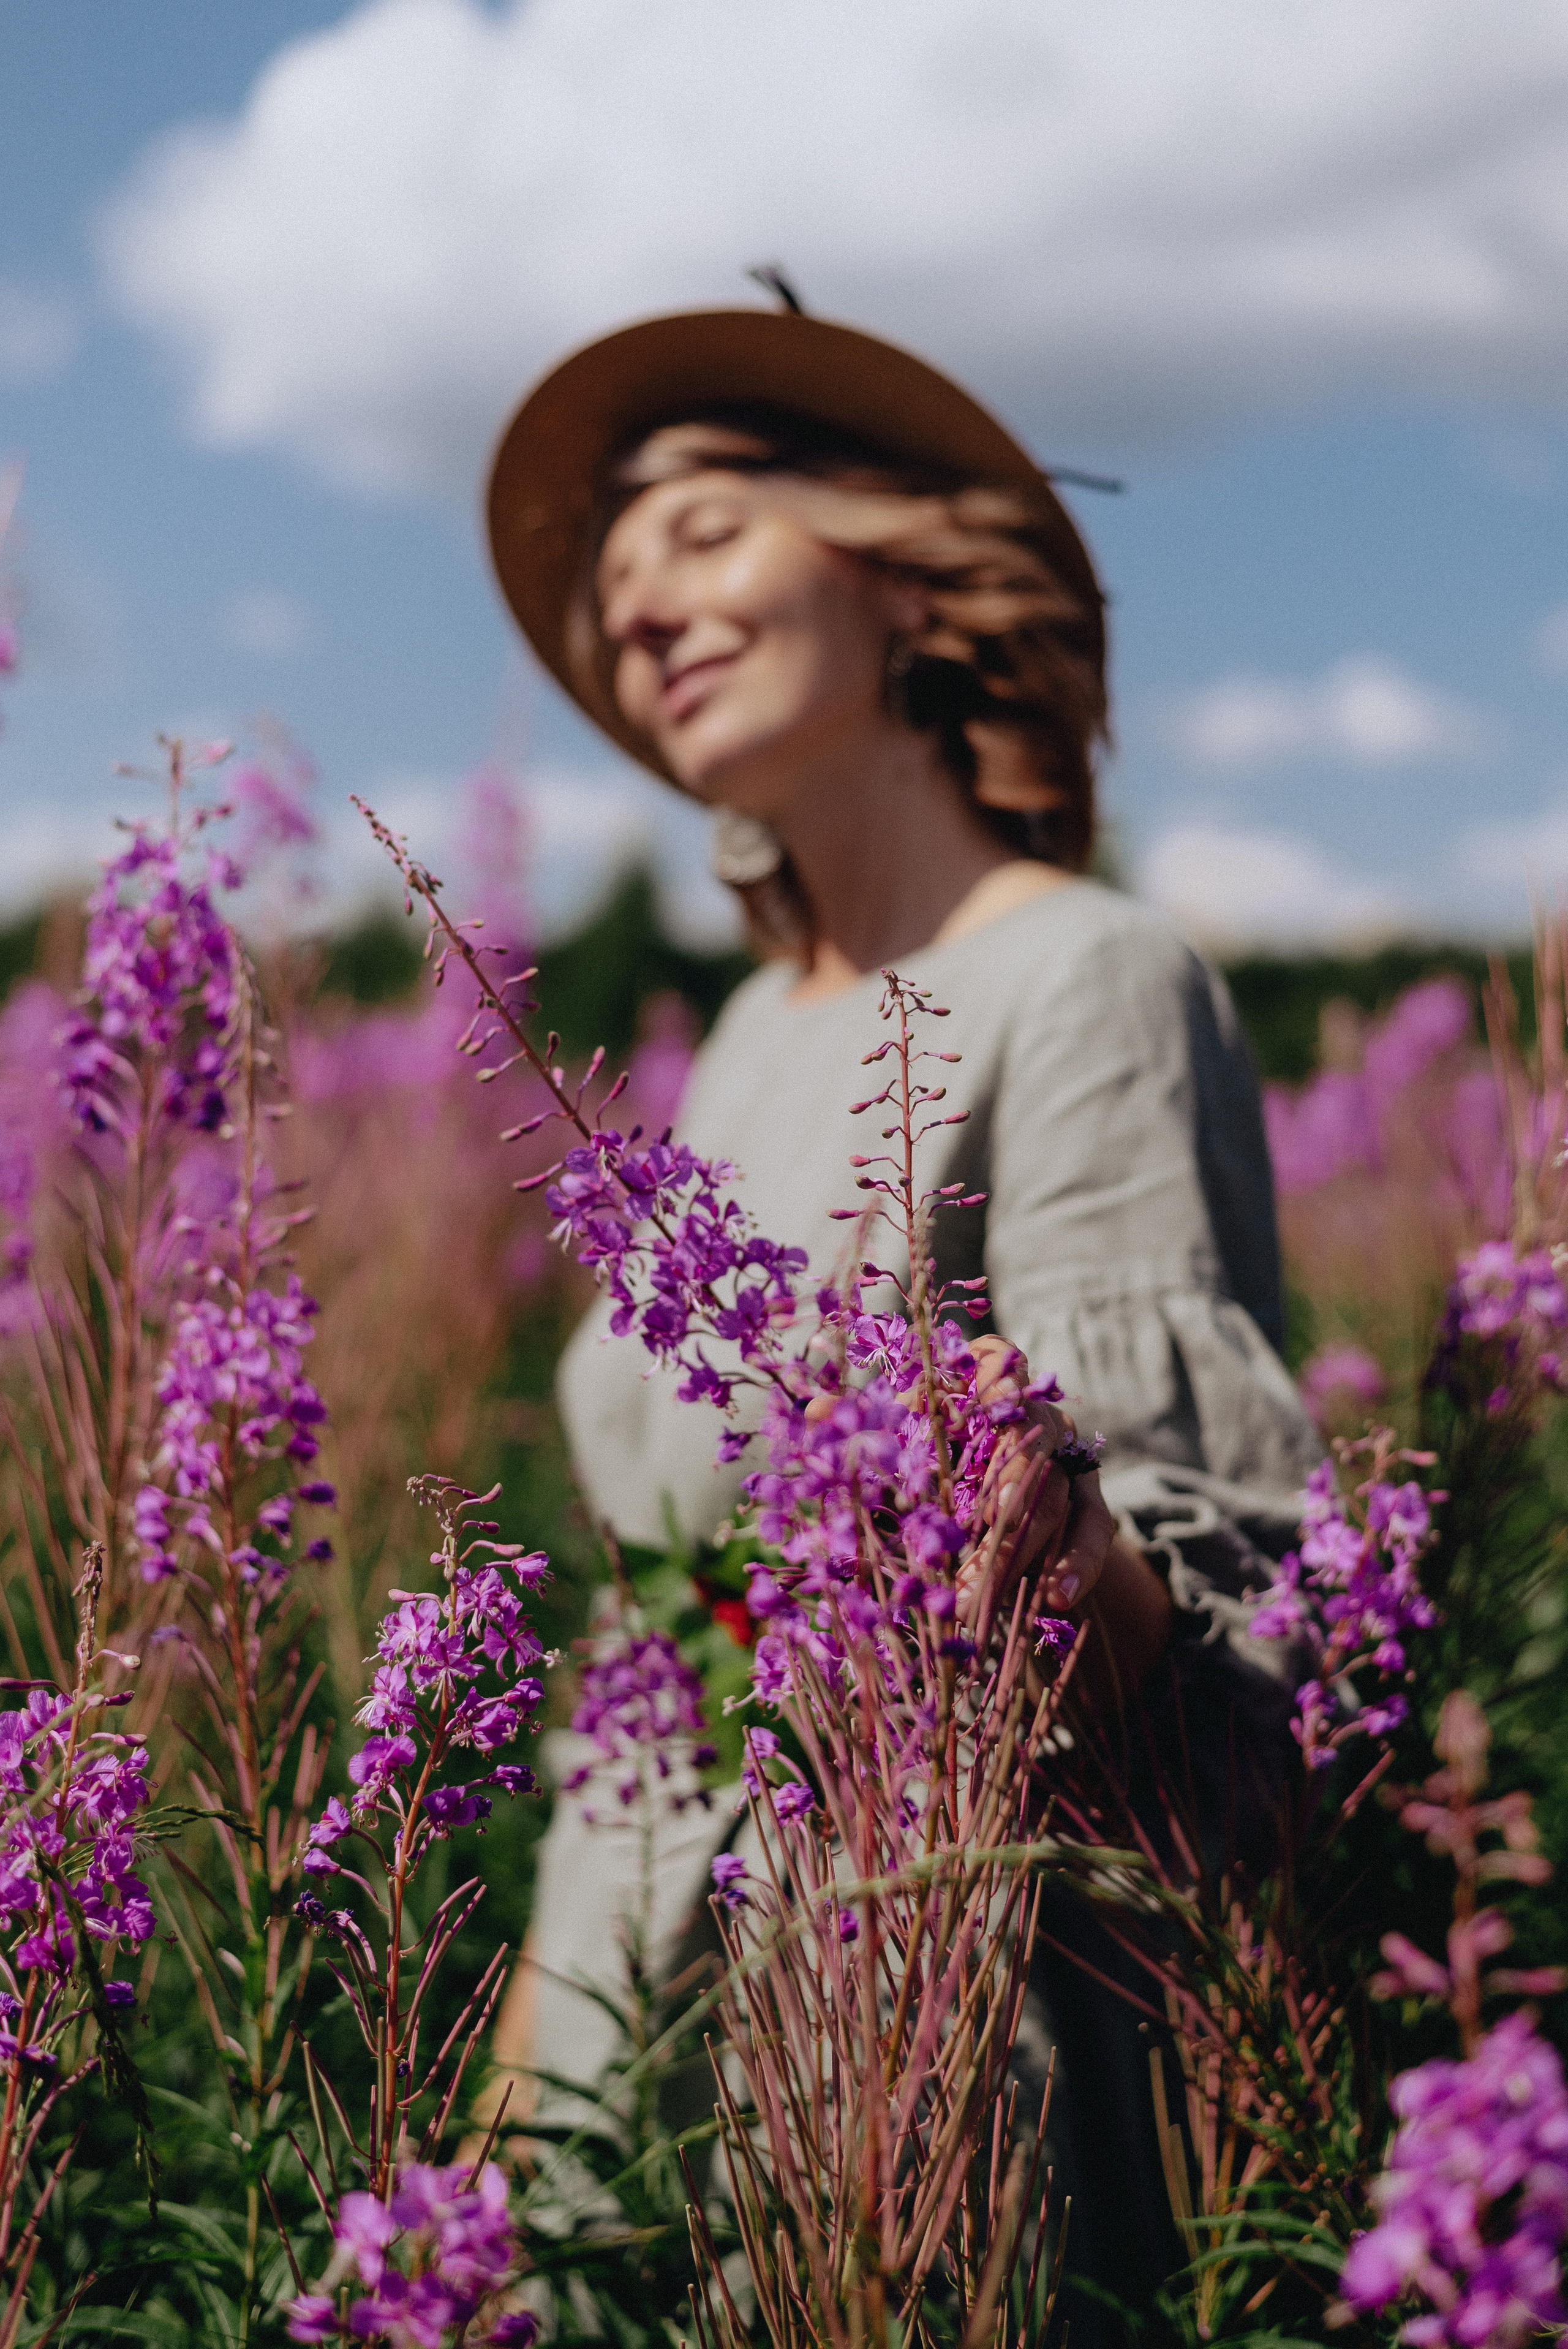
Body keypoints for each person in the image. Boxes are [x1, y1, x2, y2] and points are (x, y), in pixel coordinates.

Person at [482, 303, 1321, 2332]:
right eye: (608, 594)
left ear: (899, 568)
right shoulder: (755, 1033)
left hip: (926, 2018)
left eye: (695, 532)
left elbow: (1227, 1641)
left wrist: (1051, 1530)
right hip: (632, 1979)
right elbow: (661, 1615)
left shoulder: (1092, 979)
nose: (637, 614)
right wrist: (521, 2072)